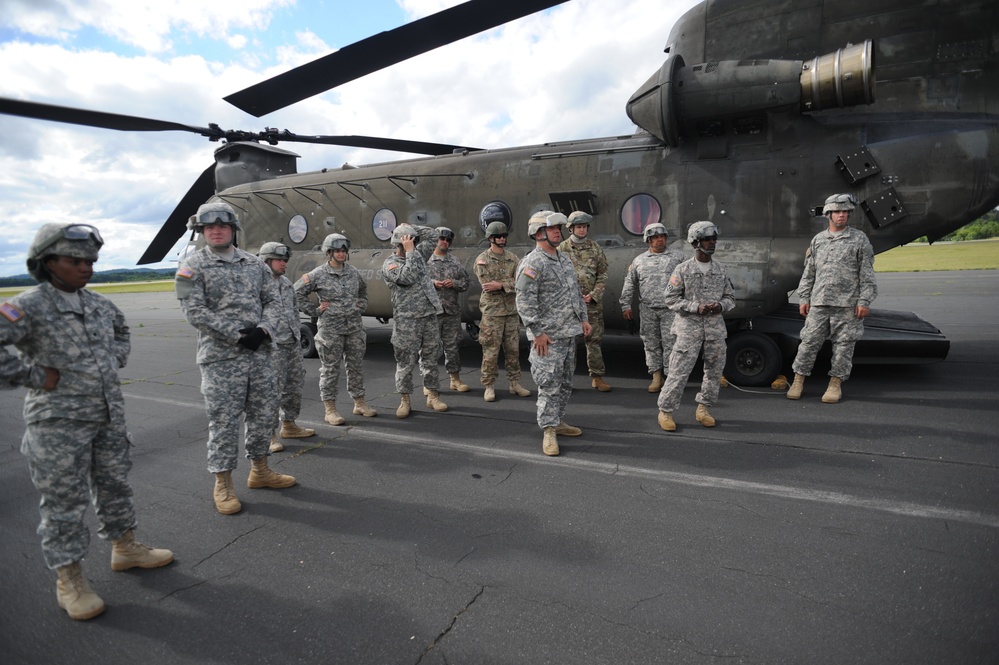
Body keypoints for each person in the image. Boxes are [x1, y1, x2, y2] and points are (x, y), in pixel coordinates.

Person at [0, 223, 173, 621]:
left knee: (114, 485)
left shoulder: (98, 304)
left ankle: (125, 548)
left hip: (107, 416)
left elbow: (122, 331)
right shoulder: (28, 305)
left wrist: (115, 357)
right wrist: (34, 375)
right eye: (75, 260)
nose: (86, 267)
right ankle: (69, 580)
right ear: (47, 262)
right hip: (58, 424)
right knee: (64, 501)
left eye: (90, 260)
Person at [176, 202, 296, 517]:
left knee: (262, 415)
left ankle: (260, 471)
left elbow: (272, 300)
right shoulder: (191, 266)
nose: (216, 230)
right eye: (209, 227)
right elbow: (194, 311)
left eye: (223, 225)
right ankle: (224, 484)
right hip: (220, 360)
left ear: (233, 229)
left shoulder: (255, 265)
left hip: (259, 355)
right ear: (202, 231)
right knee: (224, 422)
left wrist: (264, 329)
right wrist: (237, 335)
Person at [787, 194, 877, 403]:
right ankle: (798, 380)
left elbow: (867, 273)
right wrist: (804, 298)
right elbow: (809, 272)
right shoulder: (818, 240)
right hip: (819, 302)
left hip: (847, 304)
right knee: (808, 343)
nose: (842, 215)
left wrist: (864, 301)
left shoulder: (858, 239)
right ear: (828, 214)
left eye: (845, 211)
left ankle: (835, 385)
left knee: (843, 346)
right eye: (837, 211)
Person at [516, 211, 592, 457]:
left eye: (560, 228)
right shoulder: (532, 263)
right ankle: (549, 430)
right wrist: (537, 332)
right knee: (549, 385)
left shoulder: (564, 259)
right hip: (547, 338)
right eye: (553, 228)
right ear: (538, 233)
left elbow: (575, 293)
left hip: (569, 334)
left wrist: (584, 319)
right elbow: (524, 300)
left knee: (566, 383)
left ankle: (558, 421)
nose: (559, 231)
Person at [656, 221, 736, 432]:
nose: (712, 243)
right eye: (707, 239)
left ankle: (704, 409)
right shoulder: (682, 269)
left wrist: (720, 305)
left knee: (714, 371)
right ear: (695, 242)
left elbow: (731, 297)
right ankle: (665, 411)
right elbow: (670, 298)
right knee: (678, 371)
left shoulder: (720, 269)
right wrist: (695, 307)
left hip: (714, 329)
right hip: (688, 329)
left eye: (714, 239)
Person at [295, 233, 377, 424]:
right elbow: (296, 292)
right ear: (328, 253)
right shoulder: (318, 274)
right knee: (331, 369)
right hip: (330, 330)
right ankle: (330, 409)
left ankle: (360, 403)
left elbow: (363, 290)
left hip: (354, 328)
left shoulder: (353, 272)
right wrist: (314, 310)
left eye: (343, 251)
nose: (341, 254)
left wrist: (361, 305)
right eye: (337, 251)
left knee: (356, 367)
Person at [380, 223, 448, 418]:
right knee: (406, 362)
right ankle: (405, 400)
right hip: (407, 320)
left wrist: (411, 226)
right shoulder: (390, 264)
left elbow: (434, 235)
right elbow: (407, 277)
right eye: (409, 241)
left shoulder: (417, 255)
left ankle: (433, 395)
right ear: (399, 243)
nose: (414, 244)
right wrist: (410, 251)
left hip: (428, 315)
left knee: (431, 357)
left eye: (414, 240)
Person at [257, 242, 315, 452]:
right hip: (271, 346)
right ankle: (269, 434)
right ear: (266, 261)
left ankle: (289, 425)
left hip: (292, 342)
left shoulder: (286, 283)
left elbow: (293, 308)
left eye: (285, 260)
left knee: (294, 387)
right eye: (279, 260)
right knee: (271, 391)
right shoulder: (256, 285)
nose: (284, 264)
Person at [620, 223, 687, 393]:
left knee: (671, 343)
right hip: (648, 309)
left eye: (662, 237)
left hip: (670, 309)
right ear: (648, 240)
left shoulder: (679, 258)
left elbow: (690, 280)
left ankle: (671, 377)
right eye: (656, 237)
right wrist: (625, 305)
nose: (660, 240)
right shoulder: (639, 260)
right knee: (650, 344)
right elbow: (630, 283)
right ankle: (656, 376)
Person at [473, 221, 532, 402]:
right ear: (490, 238)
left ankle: (515, 383)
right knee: (491, 351)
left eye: (504, 236)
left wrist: (501, 285)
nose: (502, 239)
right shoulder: (482, 260)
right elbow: (487, 285)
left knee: (513, 350)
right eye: (498, 236)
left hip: (511, 312)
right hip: (492, 313)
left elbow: (521, 283)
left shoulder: (513, 259)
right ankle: (489, 385)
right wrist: (507, 285)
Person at [558, 211, 612, 391]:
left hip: (592, 304)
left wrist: (594, 295)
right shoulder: (561, 249)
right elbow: (555, 277)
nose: (581, 230)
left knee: (594, 341)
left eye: (584, 227)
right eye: (578, 227)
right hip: (569, 305)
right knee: (568, 343)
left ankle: (597, 377)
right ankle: (566, 380)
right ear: (571, 228)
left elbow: (602, 274)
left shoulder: (595, 248)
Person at [427, 226, 471, 393]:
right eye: (441, 239)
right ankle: (429, 383)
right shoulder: (425, 261)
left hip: (451, 312)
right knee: (430, 349)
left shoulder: (454, 261)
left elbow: (466, 282)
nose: (444, 242)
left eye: (448, 240)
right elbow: (416, 283)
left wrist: (454, 283)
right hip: (432, 313)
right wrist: (432, 283)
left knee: (452, 347)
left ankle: (455, 379)